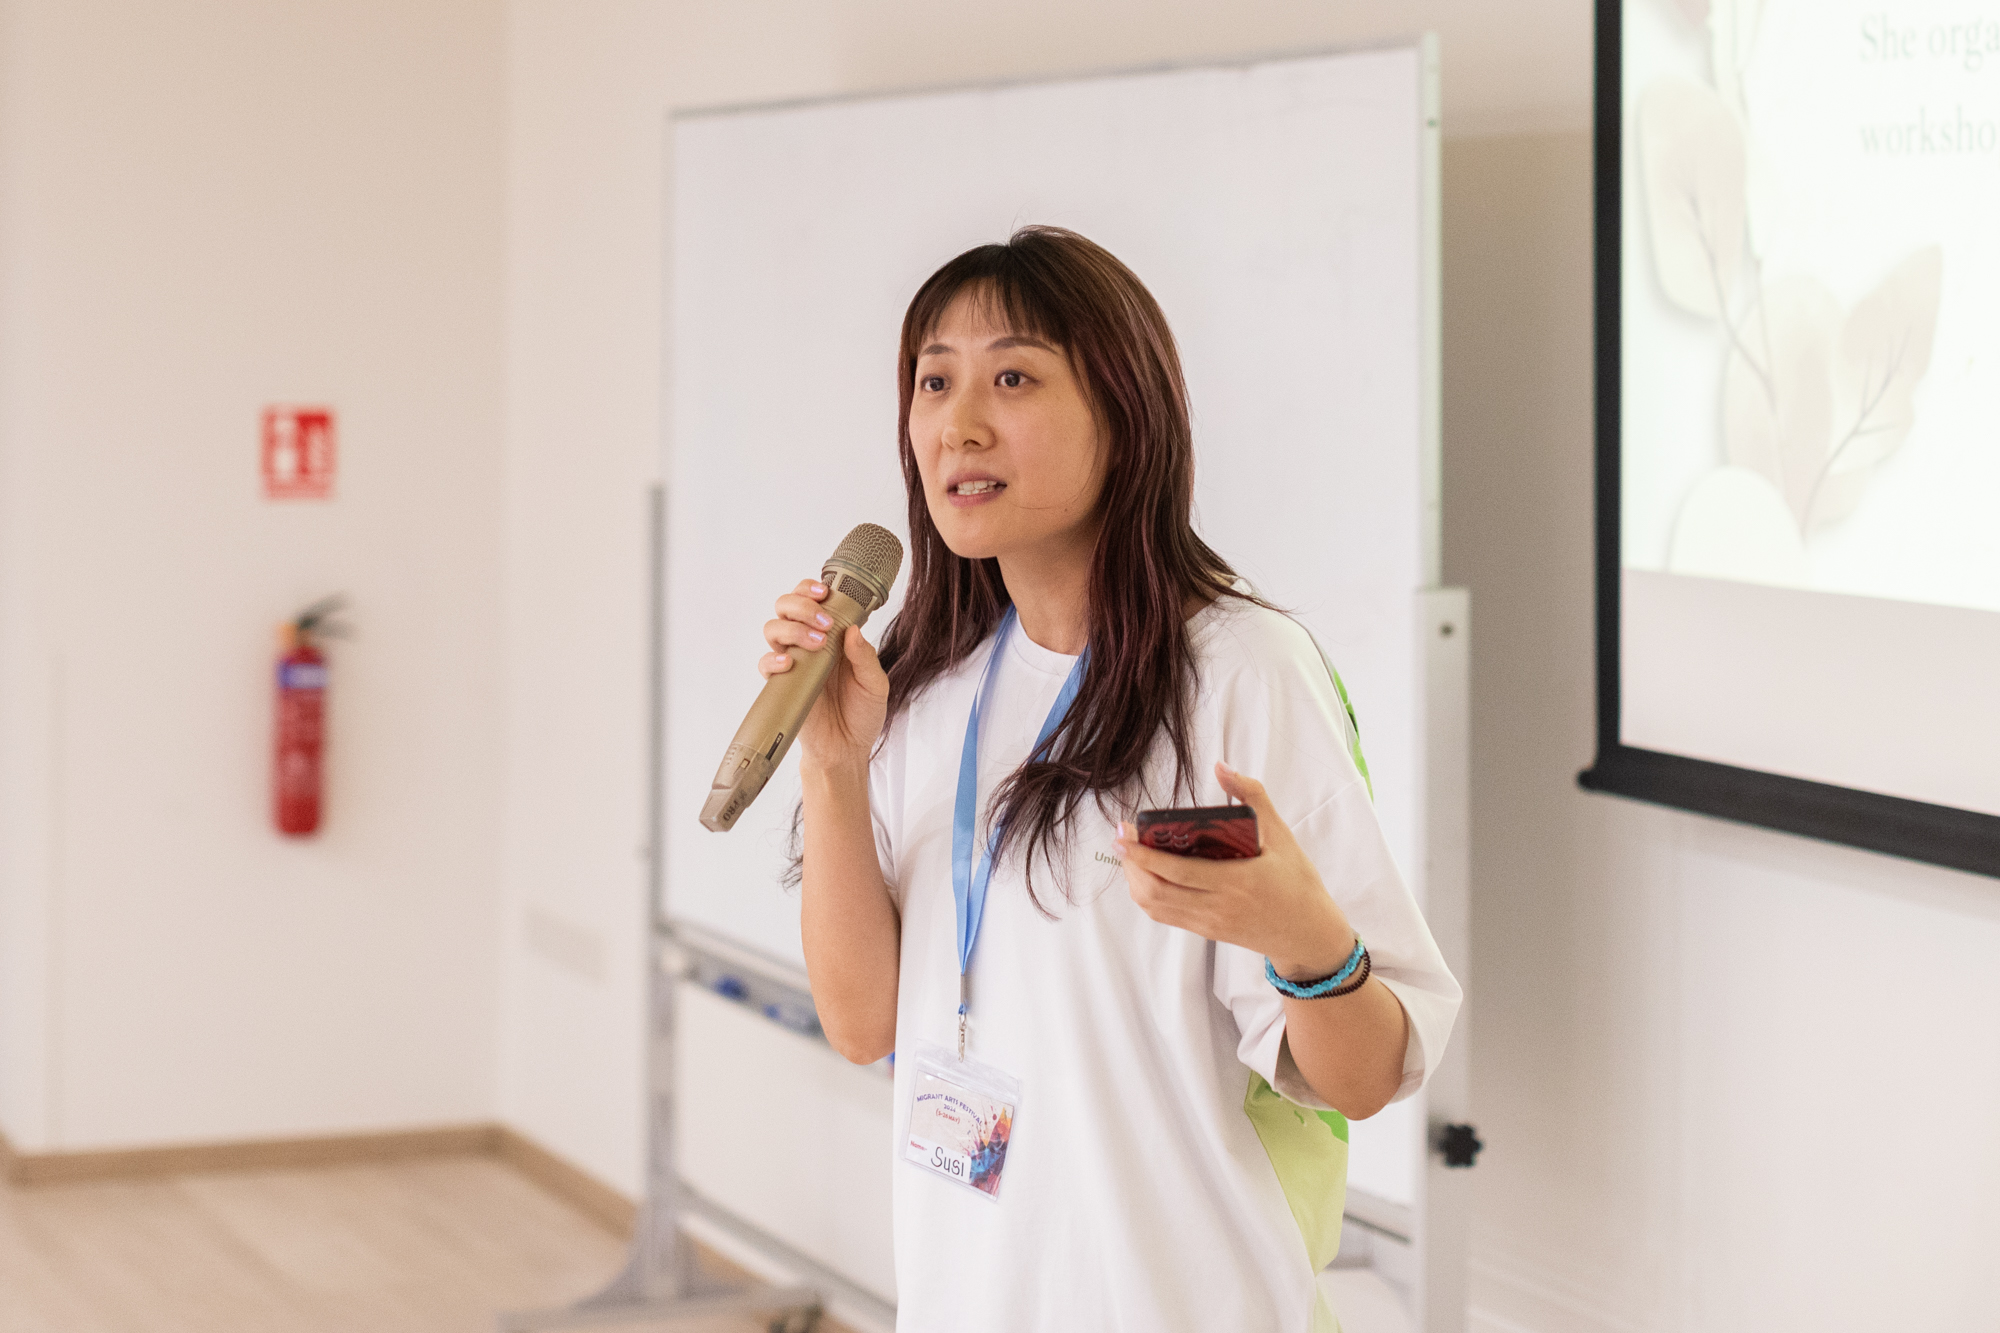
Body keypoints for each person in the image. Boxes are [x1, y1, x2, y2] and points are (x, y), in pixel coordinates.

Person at [757, 226, 1459, 1332]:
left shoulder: (1238, 672)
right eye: (933, 381)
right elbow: (863, 1021)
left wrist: (1303, 935)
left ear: (1125, 416)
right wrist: (832, 765)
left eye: (1013, 378)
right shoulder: (926, 684)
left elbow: (1363, 1077)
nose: (958, 422)